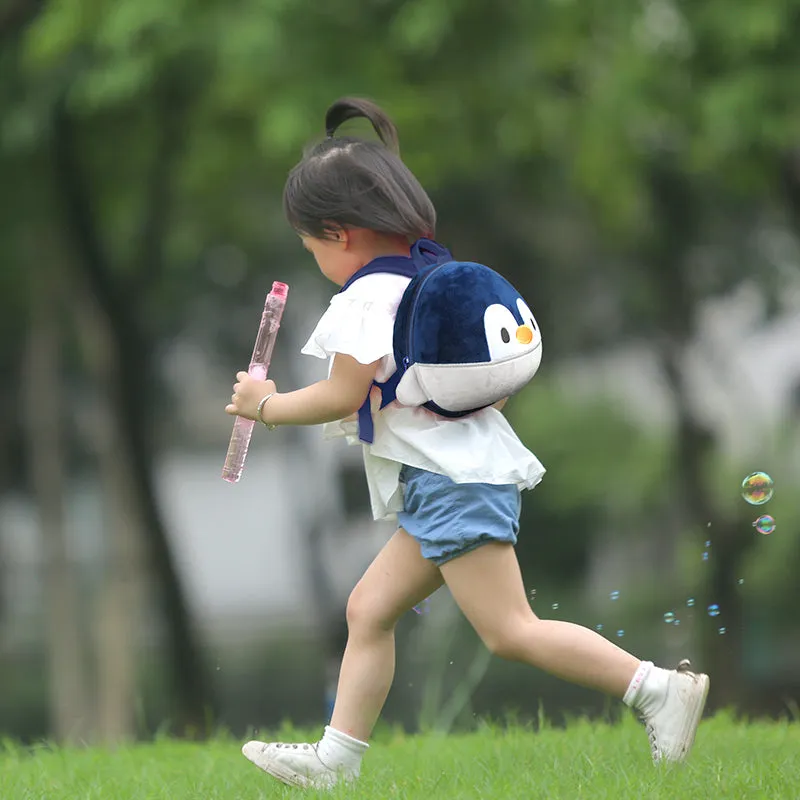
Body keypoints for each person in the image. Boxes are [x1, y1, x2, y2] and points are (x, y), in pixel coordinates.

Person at [224, 97, 710, 790]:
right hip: (449, 478)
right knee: (369, 609)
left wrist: (263, 405)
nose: (316, 261)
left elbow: (342, 394)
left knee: (509, 629)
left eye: (311, 248)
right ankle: (336, 761)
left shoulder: (363, 301)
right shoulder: (428, 281)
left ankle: (655, 688)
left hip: (451, 482)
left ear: (339, 235)